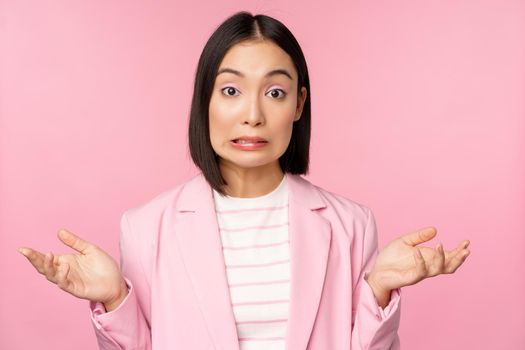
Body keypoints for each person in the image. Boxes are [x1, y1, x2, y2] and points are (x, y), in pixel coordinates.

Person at [18, 11, 471, 350]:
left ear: (298, 104)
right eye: (231, 90)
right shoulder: (145, 226)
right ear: (206, 101)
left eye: (275, 92)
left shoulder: (351, 223)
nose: (253, 115)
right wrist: (116, 299)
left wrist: (379, 293)